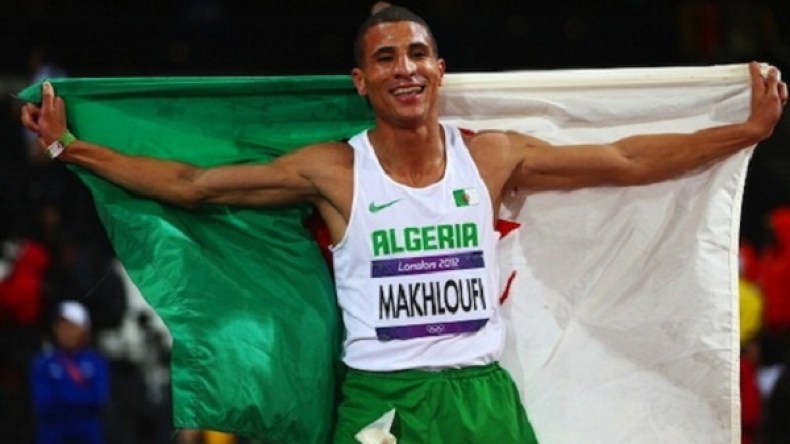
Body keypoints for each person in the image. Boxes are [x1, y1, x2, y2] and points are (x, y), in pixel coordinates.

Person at [20, 5, 787, 443]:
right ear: (362, 81)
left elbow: (621, 158)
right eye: (386, 57)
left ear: (439, 70)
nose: (405, 67)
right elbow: (193, 185)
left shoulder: (490, 157)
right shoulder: (334, 171)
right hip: (383, 404)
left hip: (481, 401)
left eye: (418, 53)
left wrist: (741, 133)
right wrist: (69, 147)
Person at [30, 301, 110, 444]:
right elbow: (43, 402)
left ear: (83, 330)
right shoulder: (43, 362)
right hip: (53, 431)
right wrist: (80, 400)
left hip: (87, 432)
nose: (66, 332)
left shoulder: (96, 362)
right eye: (62, 327)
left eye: (72, 326)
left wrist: (62, 398)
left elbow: (98, 399)